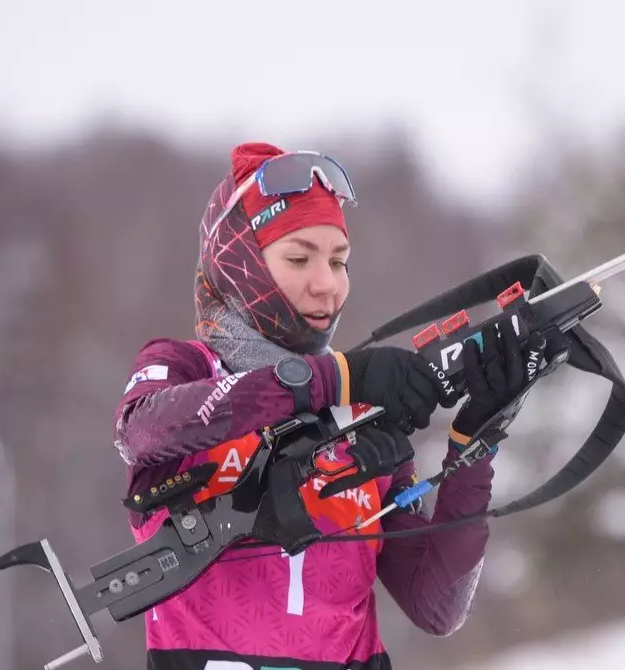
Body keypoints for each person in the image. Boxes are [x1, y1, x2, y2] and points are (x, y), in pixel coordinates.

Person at [111, 142, 542, 670]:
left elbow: (437, 605)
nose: (327, 284)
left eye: (339, 261)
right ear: (241, 262)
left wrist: (474, 444)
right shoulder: (185, 367)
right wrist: (333, 377)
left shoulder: (359, 411)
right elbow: (141, 431)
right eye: (299, 258)